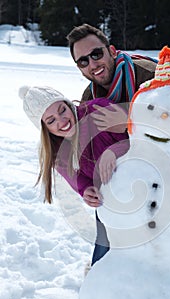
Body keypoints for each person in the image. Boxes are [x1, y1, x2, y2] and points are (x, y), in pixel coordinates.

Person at [67, 23, 170, 282]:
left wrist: (127, 119)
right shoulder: (89, 96)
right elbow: (84, 151)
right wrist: (87, 185)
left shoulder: (148, 74)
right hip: (133, 157)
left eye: (97, 54)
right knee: (110, 199)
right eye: (83, 61)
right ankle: (103, 272)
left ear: (111, 50)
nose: (92, 63)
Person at [19, 85, 130, 266]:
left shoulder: (97, 111)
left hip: (145, 188)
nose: (62, 121)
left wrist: (114, 150)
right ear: (45, 128)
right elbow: (79, 180)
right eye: (51, 120)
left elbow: (141, 138)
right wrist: (87, 190)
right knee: (104, 260)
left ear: (68, 104)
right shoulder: (58, 153)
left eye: (62, 110)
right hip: (113, 205)